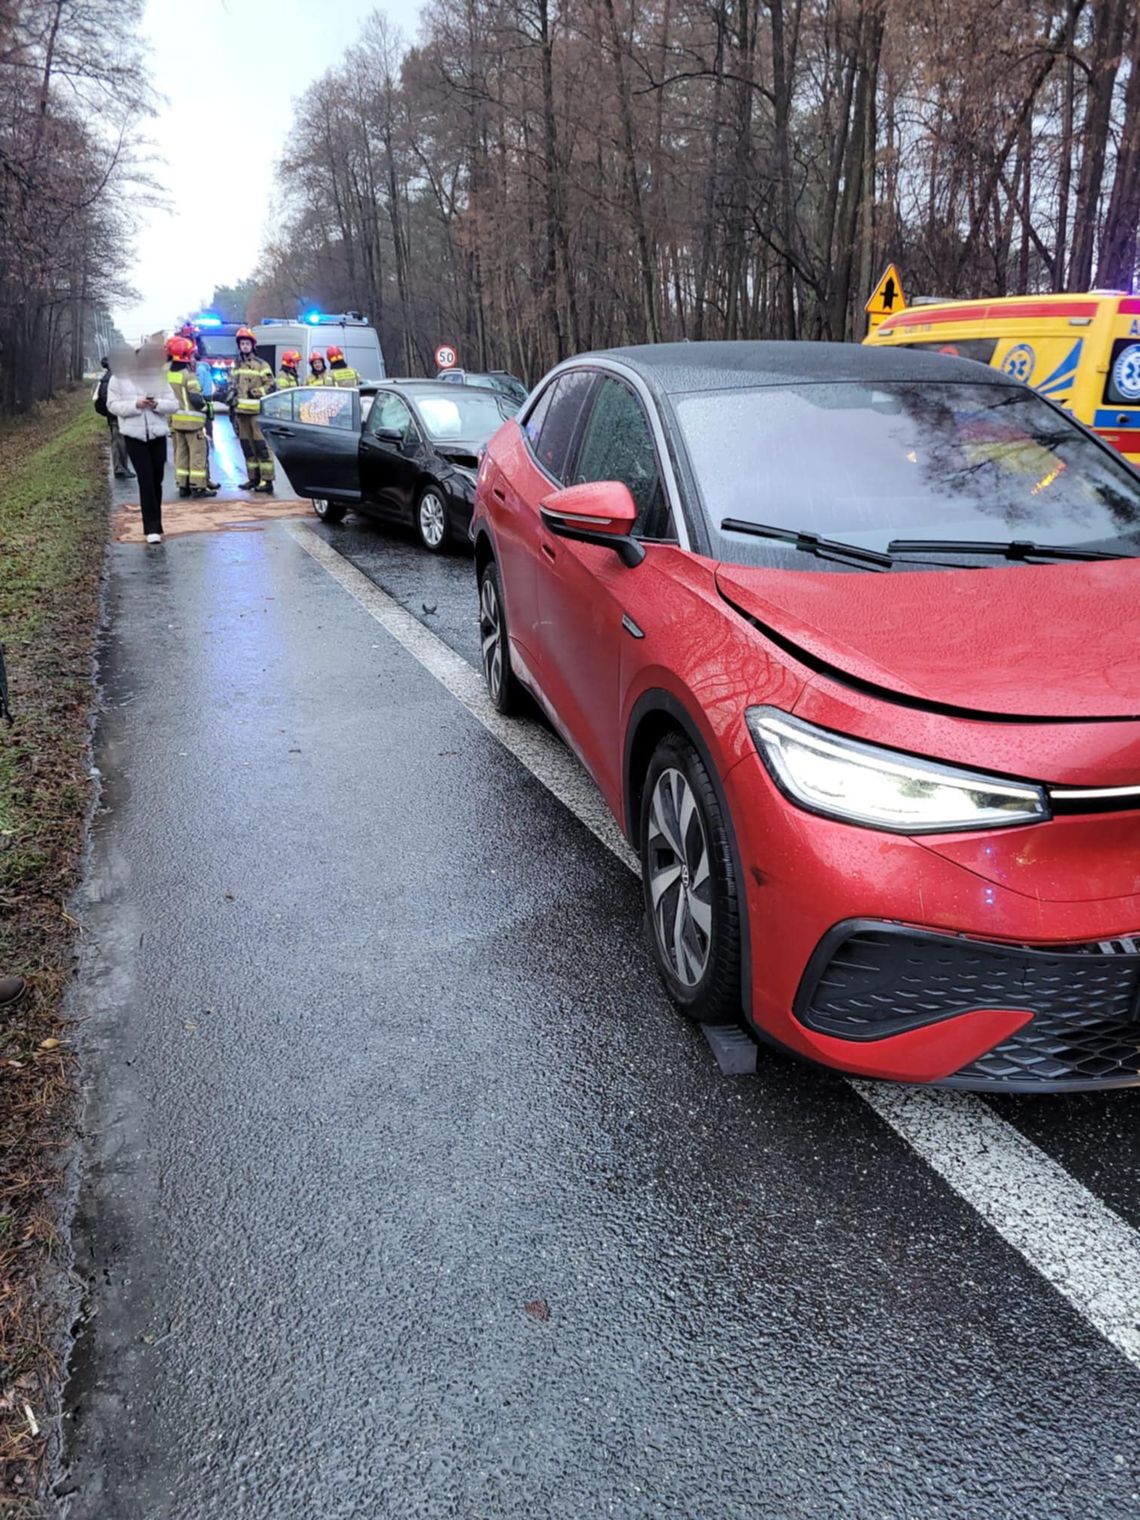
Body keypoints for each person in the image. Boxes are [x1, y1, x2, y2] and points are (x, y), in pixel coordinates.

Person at [106, 346, 177, 544]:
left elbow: (173, 404)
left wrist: (157, 404)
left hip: (157, 434)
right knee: (145, 479)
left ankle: (157, 522)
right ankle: (151, 528)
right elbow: (112, 405)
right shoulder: (118, 379)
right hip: (134, 435)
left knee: (157, 479)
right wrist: (135, 404)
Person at [165, 336, 216, 500]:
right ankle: (198, 487)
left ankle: (183, 485)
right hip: (192, 423)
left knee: (181, 454)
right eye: (192, 355)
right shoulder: (189, 376)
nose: (193, 358)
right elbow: (196, 400)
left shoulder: (169, 375)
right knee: (197, 455)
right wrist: (207, 408)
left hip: (176, 422)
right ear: (186, 356)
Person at [230, 326, 276, 494]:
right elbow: (232, 384)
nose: (245, 346)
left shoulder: (261, 365)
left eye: (247, 343)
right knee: (247, 447)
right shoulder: (236, 365)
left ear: (252, 345)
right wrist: (230, 396)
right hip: (241, 414)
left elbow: (271, 385)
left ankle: (267, 480)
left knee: (261, 447)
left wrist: (257, 392)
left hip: (256, 413)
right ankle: (253, 478)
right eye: (242, 343)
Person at [93, 358, 134, 480]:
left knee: (121, 442)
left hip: (115, 414)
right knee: (119, 443)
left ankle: (122, 468)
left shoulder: (109, 376)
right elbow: (107, 398)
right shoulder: (111, 378)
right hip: (116, 415)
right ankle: (120, 469)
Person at [192, 336, 221, 490]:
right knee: (200, 448)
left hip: (198, 409)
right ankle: (202, 482)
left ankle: (189, 482)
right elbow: (205, 392)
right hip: (202, 408)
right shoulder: (202, 370)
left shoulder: (198, 370)